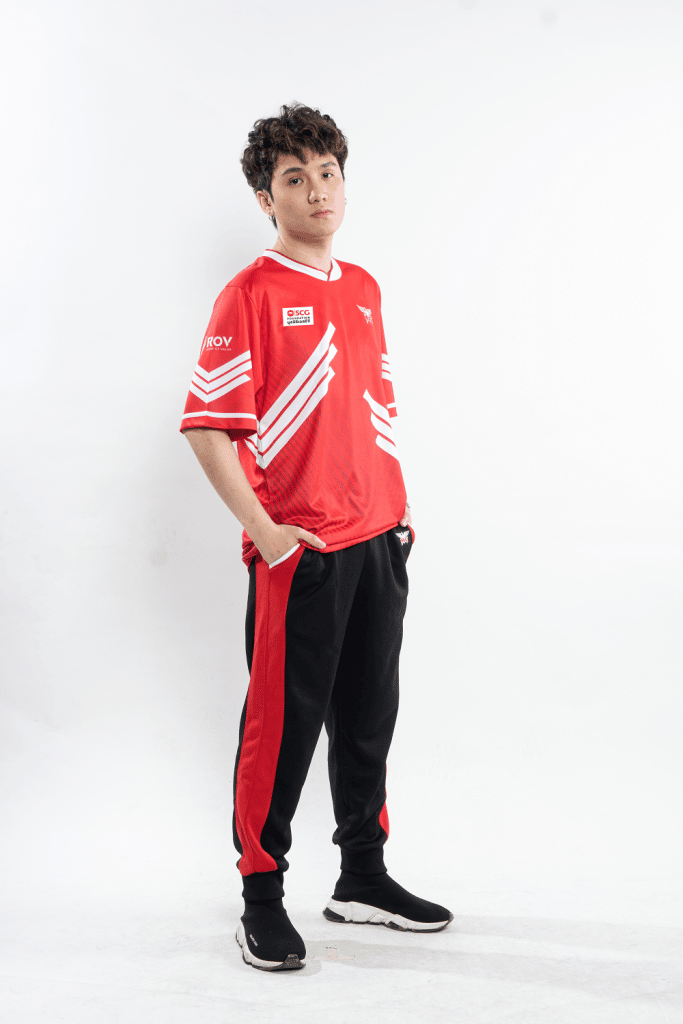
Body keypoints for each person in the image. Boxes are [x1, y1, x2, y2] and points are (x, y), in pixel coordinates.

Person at [180, 102, 452, 972]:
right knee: (282, 728)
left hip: (379, 540)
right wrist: (267, 533)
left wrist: (396, 511)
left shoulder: (363, 286)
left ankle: (362, 877)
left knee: (369, 717)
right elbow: (206, 426)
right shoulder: (250, 294)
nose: (316, 190)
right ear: (267, 198)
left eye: (327, 172)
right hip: (302, 553)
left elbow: (369, 405)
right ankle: (261, 898)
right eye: (294, 178)